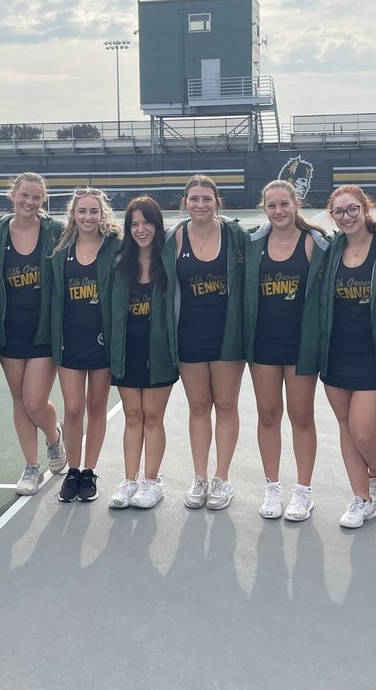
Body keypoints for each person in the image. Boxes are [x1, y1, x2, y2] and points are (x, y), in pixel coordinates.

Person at [244, 179, 330, 522]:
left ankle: (303, 491)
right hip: (263, 343)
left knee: (301, 416)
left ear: (297, 204)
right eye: (271, 205)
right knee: (267, 416)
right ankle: (272, 486)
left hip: (300, 345)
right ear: (264, 208)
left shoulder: (316, 242)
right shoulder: (254, 243)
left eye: (284, 204)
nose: (278, 211)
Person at [316, 185, 376, 530]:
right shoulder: (330, 248)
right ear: (332, 216)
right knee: (345, 428)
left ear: (366, 209)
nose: (347, 217)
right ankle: (360, 498)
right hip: (337, 352)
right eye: (339, 212)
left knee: (363, 430)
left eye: (353, 209)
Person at [162, 174, 248, 510]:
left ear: (217, 202)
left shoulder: (236, 235)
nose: (200, 205)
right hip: (189, 336)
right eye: (193, 199)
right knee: (198, 408)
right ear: (184, 203)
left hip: (228, 337)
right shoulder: (172, 238)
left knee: (226, 407)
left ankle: (222, 479)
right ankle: (199, 478)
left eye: (206, 199)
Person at [0, 173, 67, 495]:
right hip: (9, 333)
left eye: (37, 197)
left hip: (45, 331)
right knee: (19, 401)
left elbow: (97, 240)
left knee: (34, 401)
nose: (30, 202)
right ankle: (32, 466)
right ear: (12, 195)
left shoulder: (56, 232)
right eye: (25, 195)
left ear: (43, 200)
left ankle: (53, 436)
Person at [49, 188, 121, 503]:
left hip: (102, 342)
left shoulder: (115, 247)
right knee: (74, 408)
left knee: (96, 407)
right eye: (83, 211)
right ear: (73, 216)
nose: (88, 217)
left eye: (94, 211)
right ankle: (73, 471)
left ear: (101, 215)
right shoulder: (61, 249)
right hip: (70, 342)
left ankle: (89, 471)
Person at [107, 197, 178, 509]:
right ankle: (129, 479)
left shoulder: (170, 260)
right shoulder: (120, 263)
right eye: (134, 224)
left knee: (152, 416)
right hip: (128, 349)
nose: (140, 229)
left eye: (146, 222)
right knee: (132, 415)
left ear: (156, 224)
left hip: (159, 351)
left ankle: (151, 481)